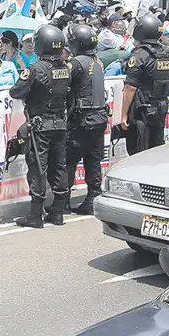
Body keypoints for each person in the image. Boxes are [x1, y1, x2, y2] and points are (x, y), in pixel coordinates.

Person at [9, 25, 71, 228]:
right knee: (59, 167)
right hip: (60, 124)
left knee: (38, 168)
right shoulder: (65, 67)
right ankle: (58, 212)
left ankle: (35, 214)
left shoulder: (35, 69)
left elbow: (16, 91)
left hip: (40, 125)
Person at [64, 25, 108, 216]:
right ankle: (92, 197)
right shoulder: (97, 62)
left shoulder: (75, 63)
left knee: (68, 160)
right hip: (99, 117)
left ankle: (62, 201)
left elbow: (61, 84)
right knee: (93, 159)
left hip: (82, 119)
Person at [119, 14, 169, 156]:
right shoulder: (166, 54)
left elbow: (130, 87)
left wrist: (124, 115)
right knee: (156, 152)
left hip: (142, 112)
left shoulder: (139, 55)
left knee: (138, 153)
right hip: (160, 110)